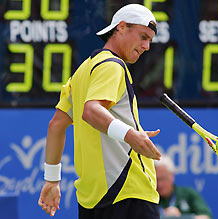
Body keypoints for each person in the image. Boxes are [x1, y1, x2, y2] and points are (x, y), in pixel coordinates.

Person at [38, 4, 162, 219]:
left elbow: (56, 126)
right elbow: (92, 111)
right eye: (143, 36)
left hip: (92, 200)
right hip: (129, 191)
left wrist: (51, 180)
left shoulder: (82, 71)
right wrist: (131, 136)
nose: (146, 46)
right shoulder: (113, 65)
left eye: (149, 40)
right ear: (121, 28)